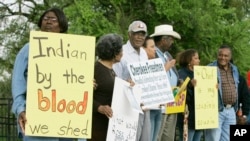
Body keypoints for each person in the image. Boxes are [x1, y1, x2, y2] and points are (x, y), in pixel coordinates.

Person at [11, 7, 78, 141]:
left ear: (62, 24)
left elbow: (78, 79)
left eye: (53, 19)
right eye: (45, 19)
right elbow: (17, 82)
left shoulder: (74, 50)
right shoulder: (29, 49)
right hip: (38, 120)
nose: (48, 22)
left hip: (67, 121)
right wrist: (20, 109)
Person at [112, 20, 150, 141]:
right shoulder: (121, 52)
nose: (140, 37)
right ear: (129, 34)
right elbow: (114, 78)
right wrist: (126, 83)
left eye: (142, 34)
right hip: (127, 106)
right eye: (137, 33)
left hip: (144, 104)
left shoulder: (144, 53)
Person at [87, 33, 123, 141]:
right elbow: (84, 96)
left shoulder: (111, 70)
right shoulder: (96, 69)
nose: (122, 53)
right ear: (114, 52)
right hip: (97, 127)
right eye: (120, 50)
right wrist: (99, 108)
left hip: (108, 126)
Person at [150, 24, 181, 141]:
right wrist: (165, 68)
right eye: (171, 39)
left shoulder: (167, 55)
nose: (172, 42)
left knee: (168, 136)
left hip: (172, 101)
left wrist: (178, 81)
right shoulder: (153, 54)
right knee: (158, 135)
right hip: (160, 102)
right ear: (163, 40)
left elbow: (173, 74)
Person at [204, 44, 240, 141]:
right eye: (220, 55)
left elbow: (237, 87)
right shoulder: (209, 68)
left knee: (227, 138)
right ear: (217, 55)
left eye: (225, 55)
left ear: (230, 57)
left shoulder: (234, 69)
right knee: (213, 138)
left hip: (231, 110)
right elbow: (202, 88)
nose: (222, 57)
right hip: (216, 110)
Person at [176, 49, 203, 141]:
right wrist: (190, 86)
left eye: (198, 58)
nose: (198, 60)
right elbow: (179, 95)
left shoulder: (200, 73)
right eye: (196, 58)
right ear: (189, 61)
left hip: (200, 115)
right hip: (187, 115)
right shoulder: (181, 74)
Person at [142, 36, 161, 141]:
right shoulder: (139, 64)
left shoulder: (156, 62)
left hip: (159, 107)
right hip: (148, 109)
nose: (155, 49)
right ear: (144, 49)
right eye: (152, 47)